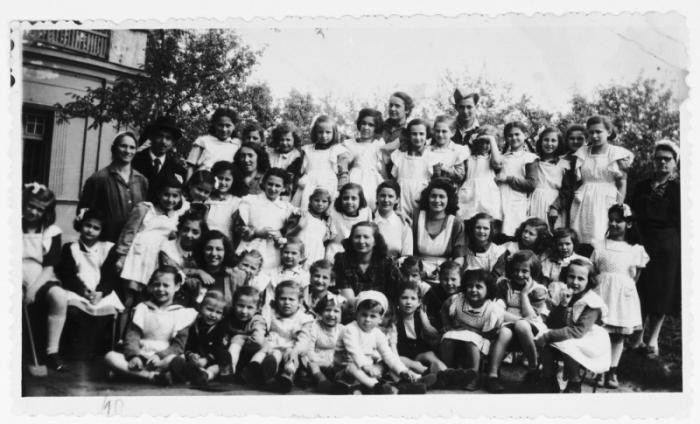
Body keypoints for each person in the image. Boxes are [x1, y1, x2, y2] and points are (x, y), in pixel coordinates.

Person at [629, 140, 681, 359]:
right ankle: (637, 338)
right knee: (640, 290)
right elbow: (631, 214)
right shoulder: (641, 185)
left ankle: (653, 339)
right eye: (658, 158)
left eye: (667, 159)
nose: (662, 162)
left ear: (674, 163)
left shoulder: (679, 189)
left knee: (662, 293)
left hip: (667, 245)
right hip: (641, 242)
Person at [114, 174, 183, 336]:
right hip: (137, 260)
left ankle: (136, 337)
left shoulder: (176, 216)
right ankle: (120, 338)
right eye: (166, 194)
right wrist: (121, 257)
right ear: (159, 193)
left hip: (155, 262)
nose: (170, 199)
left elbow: (173, 239)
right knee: (128, 300)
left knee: (145, 303)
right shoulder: (145, 209)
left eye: (175, 196)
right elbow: (128, 233)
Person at [104, 266, 197, 383]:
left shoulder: (182, 313)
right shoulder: (142, 308)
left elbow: (178, 346)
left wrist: (159, 356)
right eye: (156, 285)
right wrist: (134, 356)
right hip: (141, 354)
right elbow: (132, 336)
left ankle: (132, 374)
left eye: (166, 285)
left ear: (177, 286)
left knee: (176, 360)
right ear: (151, 286)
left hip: (163, 358)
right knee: (110, 356)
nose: (160, 289)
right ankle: (152, 377)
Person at [590, 204, 648, 389]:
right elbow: (592, 270)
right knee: (602, 332)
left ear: (629, 224)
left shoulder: (634, 249)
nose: (614, 223)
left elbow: (635, 277)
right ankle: (600, 370)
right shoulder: (600, 245)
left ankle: (612, 371)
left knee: (618, 336)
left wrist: (625, 290)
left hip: (623, 296)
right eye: (611, 220)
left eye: (619, 220)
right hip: (602, 293)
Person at [536, 258, 611, 393]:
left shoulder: (591, 303)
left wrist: (549, 336)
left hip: (588, 340)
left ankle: (574, 382)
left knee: (567, 345)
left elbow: (578, 331)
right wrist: (563, 305)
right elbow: (552, 323)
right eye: (571, 277)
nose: (575, 282)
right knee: (543, 336)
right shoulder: (565, 293)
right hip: (568, 333)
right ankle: (549, 379)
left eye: (581, 279)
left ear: (589, 281)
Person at [333, 290, 425, 394]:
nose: (367, 319)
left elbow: (388, 354)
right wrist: (367, 367)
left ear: (380, 319)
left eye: (373, 316)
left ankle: (406, 381)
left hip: (368, 368)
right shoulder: (349, 329)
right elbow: (355, 352)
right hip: (345, 371)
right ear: (356, 314)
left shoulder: (377, 333)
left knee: (388, 362)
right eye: (364, 314)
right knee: (352, 366)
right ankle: (377, 387)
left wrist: (403, 370)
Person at [22, 183, 70, 371]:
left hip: (39, 274)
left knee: (59, 297)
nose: (33, 211)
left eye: (39, 209)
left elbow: (49, 268)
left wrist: (33, 289)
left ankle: (52, 352)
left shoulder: (51, 232)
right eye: (30, 206)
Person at [486, 250, 548, 393]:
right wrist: (517, 319)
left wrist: (524, 294)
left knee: (521, 325)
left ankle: (533, 367)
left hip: (531, 326)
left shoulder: (538, 289)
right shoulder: (504, 284)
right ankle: (493, 375)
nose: (519, 274)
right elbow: (498, 309)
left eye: (524, 271)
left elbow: (531, 316)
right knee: (504, 332)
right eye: (516, 270)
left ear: (533, 271)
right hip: (508, 320)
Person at [570, 116, 634, 245]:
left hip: (606, 200)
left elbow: (622, 183)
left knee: (600, 237)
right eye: (591, 132)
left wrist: (618, 209)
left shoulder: (617, 154)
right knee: (579, 237)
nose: (594, 136)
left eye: (598, 132)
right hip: (584, 200)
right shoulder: (582, 153)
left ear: (608, 132)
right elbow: (577, 181)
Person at [242, 281, 314, 393]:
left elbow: (304, 339)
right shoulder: (272, 313)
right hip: (272, 344)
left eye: (291, 299)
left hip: (291, 346)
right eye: (282, 299)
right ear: (276, 300)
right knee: (270, 353)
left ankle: (287, 376)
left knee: (290, 359)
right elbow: (262, 325)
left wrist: (296, 351)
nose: (286, 303)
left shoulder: (304, 318)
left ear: (299, 302)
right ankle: (255, 367)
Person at [439, 269, 505, 391]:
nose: (473, 290)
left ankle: (473, 375)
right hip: (457, 331)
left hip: (481, 336)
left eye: (478, 287)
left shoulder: (492, 308)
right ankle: (447, 373)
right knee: (447, 339)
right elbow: (444, 309)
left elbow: (492, 331)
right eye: (469, 286)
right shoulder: (457, 299)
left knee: (471, 342)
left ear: (488, 289)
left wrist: (469, 330)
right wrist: (446, 324)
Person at [78, 132, 148, 242]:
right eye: (123, 146)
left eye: (132, 147)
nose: (127, 151)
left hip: (134, 243)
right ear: (114, 148)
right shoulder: (98, 179)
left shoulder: (141, 180)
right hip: (106, 243)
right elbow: (84, 214)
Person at [235, 168, 300, 271]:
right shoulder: (249, 201)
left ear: (284, 188)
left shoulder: (288, 209)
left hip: (272, 253)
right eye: (270, 184)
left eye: (278, 186)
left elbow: (292, 236)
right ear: (264, 183)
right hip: (249, 247)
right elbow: (239, 227)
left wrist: (281, 237)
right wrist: (257, 233)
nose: (273, 188)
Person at [167, 290, 231, 386]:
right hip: (197, 361)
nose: (213, 315)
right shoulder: (194, 326)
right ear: (201, 308)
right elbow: (188, 345)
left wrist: (207, 359)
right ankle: (193, 375)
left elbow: (219, 348)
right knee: (179, 360)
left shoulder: (221, 328)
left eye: (218, 312)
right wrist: (191, 355)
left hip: (213, 360)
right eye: (209, 309)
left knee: (224, 356)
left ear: (222, 315)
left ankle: (207, 375)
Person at [333, 222, 403, 304]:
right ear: (351, 240)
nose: (361, 241)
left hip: (383, 310)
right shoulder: (342, 260)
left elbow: (399, 290)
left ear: (375, 241)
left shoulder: (387, 263)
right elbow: (349, 300)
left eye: (366, 237)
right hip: (352, 310)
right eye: (357, 237)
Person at [57, 208, 116, 305]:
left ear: (102, 230)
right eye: (87, 225)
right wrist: (83, 291)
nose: (90, 230)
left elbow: (109, 277)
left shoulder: (108, 248)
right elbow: (67, 275)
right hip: (77, 290)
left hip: (100, 293)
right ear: (81, 225)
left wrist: (101, 292)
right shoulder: (70, 247)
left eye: (96, 228)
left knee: (106, 314)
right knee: (74, 311)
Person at [294, 115, 352, 211]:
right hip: (308, 185)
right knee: (304, 209)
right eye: (320, 132)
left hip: (328, 185)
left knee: (326, 211)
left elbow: (343, 174)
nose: (324, 135)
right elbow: (300, 171)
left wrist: (340, 192)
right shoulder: (307, 150)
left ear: (334, 133)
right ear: (315, 133)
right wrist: (297, 182)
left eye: (328, 132)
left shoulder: (338, 151)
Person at [413, 178, 466, 280]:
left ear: (449, 199)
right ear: (427, 198)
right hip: (418, 274)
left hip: (444, 276)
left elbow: (459, 258)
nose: (437, 200)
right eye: (433, 196)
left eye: (441, 197)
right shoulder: (417, 218)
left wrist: (447, 273)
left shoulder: (455, 223)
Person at [158, 209, 210, 307]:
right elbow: (174, 273)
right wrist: (198, 272)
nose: (189, 235)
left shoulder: (201, 253)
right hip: (167, 298)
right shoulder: (167, 248)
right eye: (185, 229)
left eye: (195, 232)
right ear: (180, 229)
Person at [392, 281, 445, 375]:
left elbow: (435, 338)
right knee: (402, 359)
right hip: (401, 358)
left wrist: (426, 323)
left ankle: (447, 373)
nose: (408, 302)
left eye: (413, 298)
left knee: (430, 354)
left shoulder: (421, 318)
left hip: (417, 355)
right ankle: (427, 373)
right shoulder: (394, 320)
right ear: (397, 300)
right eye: (404, 298)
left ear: (419, 302)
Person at [496, 121, 539, 237]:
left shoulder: (529, 158)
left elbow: (532, 184)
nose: (513, 138)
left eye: (517, 134)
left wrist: (508, 179)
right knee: (499, 235)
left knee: (514, 234)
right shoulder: (501, 157)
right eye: (510, 135)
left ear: (524, 135)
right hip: (500, 199)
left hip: (517, 202)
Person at [389, 118, 438, 218]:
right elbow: (393, 180)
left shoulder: (431, 157)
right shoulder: (400, 155)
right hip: (402, 196)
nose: (418, 137)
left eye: (421, 134)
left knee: (419, 225)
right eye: (414, 134)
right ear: (408, 135)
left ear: (427, 135)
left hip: (421, 196)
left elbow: (435, 181)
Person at [457, 125, 503, 223]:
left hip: (488, 197)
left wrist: (491, 139)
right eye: (482, 142)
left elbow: (497, 163)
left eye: (488, 143)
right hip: (470, 196)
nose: (484, 146)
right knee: (467, 222)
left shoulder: (493, 159)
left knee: (487, 223)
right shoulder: (469, 159)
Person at [344, 108, 388, 209]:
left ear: (376, 128)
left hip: (373, 180)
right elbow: (344, 166)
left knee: (372, 202)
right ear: (359, 124)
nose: (366, 127)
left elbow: (383, 170)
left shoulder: (379, 145)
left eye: (371, 125)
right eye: (363, 123)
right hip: (355, 178)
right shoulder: (349, 144)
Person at [301, 293, 345, 393]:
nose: (331, 314)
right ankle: (321, 379)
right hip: (317, 359)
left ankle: (340, 383)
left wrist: (336, 363)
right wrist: (318, 360)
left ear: (342, 314)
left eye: (336, 311)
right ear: (320, 312)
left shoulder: (342, 329)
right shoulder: (315, 327)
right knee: (310, 363)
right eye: (328, 310)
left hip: (334, 363)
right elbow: (309, 349)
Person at [526, 127, 570, 229]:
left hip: (554, 202)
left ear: (559, 143)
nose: (549, 144)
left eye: (553, 140)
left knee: (553, 232)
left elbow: (567, 191)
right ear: (540, 142)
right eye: (546, 140)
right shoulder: (534, 161)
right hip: (536, 201)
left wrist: (555, 207)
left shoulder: (564, 164)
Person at [132, 116, 186, 197]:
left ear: (172, 142)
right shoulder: (134, 160)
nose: (163, 142)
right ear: (151, 137)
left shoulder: (177, 168)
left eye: (168, 138)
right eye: (159, 136)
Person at [186, 108, 241, 179]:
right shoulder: (202, 141)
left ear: (234, 126)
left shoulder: (237, 144)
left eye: (228, 126)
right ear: (214, 125)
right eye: (220, 125)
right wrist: (187, 186)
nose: (224, 129)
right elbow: (190, 167)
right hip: (202, 182)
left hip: (225, 183)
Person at [287, 188, 334, 267]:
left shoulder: (326, 222)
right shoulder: (301, 214)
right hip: (299, 252)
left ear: (329, 203)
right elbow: (288, 235)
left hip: (316, 254)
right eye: (317, 200)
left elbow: (323, 241)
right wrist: (299, 227)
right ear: (311, 200)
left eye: (324, 201)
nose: (320, 204)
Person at [225, 286, 267, 375]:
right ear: (233, 304)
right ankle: (229, 370)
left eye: (250, 307)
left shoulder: (257, 320)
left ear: (257, 308)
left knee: (266, 346)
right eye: (240, 305)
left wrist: (240, 339)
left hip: (251, 352)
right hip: (232, 353)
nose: (244, 311)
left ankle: (251, 371)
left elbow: (258, 341)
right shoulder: (229, 315)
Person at [326, 183, 373, 260]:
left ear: (360, 200)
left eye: (353, 198)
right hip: (335, 251)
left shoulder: (365, 213)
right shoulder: (334, 213)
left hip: (358, 251)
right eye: (345, 198)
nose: (349, 202)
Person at [192, 230, 239, 306]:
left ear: (225, 252)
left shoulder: (232, 277)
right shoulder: (195, 275)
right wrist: (198, 272)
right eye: (209, 248)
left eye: (218, 249)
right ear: (202, 250)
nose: (213, 253)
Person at [373, 181, 413, 259]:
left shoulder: (403, 224)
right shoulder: (369, 220)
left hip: (395, 267)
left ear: (397, 199)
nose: (386, 200)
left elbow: (407, 255)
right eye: (382, 196)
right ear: (377, 197)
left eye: (390, 196)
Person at [266, 122, 304, 202]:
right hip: (268, 191)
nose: (284, 143)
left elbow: (294, 181)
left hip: (285, 195)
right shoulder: (270, 153)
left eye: (288, 140)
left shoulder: (297, 157)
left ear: (295, 140)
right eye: (281, 139)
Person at [429, 115, 469, 186]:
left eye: (444, 131)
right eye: (437, 131)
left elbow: (460, 176)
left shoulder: (458, 150)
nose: (440, 135)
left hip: (450, 189)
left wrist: (444, 168)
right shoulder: (428, 150)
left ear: (452, 132)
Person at [422, 261, 462, 330]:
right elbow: (423, 308)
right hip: (437, 326)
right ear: (440, 279)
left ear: (461, 279)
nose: (449, 283)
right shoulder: (434, 291)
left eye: (453, 279)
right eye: (445, 279)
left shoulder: (464, 293)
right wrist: (427, 326)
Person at [206, 161, 241, 237]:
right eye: (220, 178)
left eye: (227, 179)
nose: (223, 182)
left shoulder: (236, 202)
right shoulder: (206, 197)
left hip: (224, 241)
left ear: (233, 181)